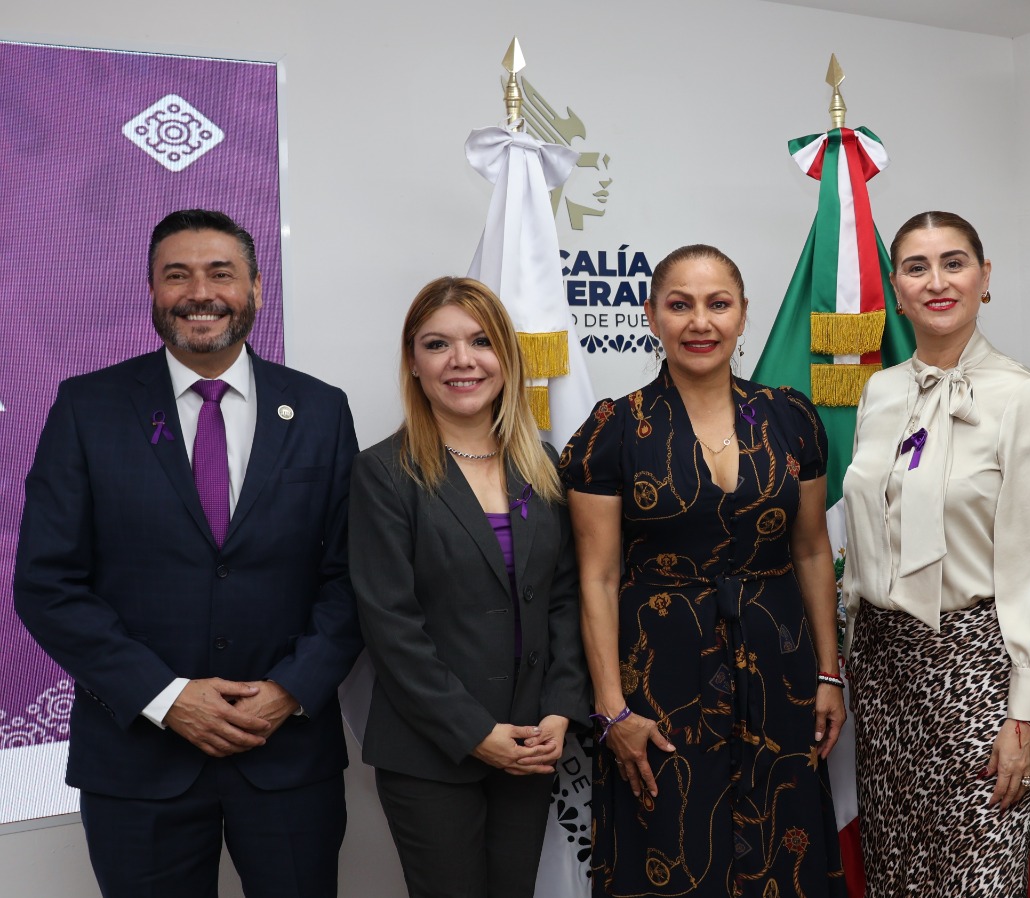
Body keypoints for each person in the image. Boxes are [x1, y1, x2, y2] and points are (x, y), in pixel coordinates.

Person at [12, 209, 362, 897]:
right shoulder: (88, 408)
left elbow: (353, 573)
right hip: (138, 759)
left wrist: (290, 690)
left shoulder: (320, 411)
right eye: (178, 275)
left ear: (257, 289)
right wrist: (166, 698)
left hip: (285, 753)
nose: (200, 292)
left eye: (220, 273)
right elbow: (47, 582)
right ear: (152, 291)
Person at [560, 245, 847, 897]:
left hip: (781, 672)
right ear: (651, 315)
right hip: (660, 678)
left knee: (785, 851)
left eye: (718, 304)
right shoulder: (613, 427)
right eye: (680, 304)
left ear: (743, 315)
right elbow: (597, 579)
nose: (701, 322)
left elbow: (810, 551)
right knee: (671, 847)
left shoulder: (790, 418)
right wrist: (610, 709)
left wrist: (829, 672)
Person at [840, 211, 1030, 896]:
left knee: (977, 876)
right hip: (883, 669)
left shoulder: (1022, 397)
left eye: (954, 262)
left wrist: (1025, 712)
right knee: (896, 873)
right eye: (917, 267)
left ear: (985, 277)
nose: (937, 281)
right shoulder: (879, 393)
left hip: (977, 670)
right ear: (896, 288)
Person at [348, 276, 588, 897]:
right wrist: (476, 735)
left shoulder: (542, 463)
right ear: (413, 361)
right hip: (433, 751)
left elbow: (563, 599)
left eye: (481, 341)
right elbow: (391, 628)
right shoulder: (383, 472)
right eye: (438, 345)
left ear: (507, 358)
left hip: (531, 744)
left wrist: (560, 709)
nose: (462, 361)